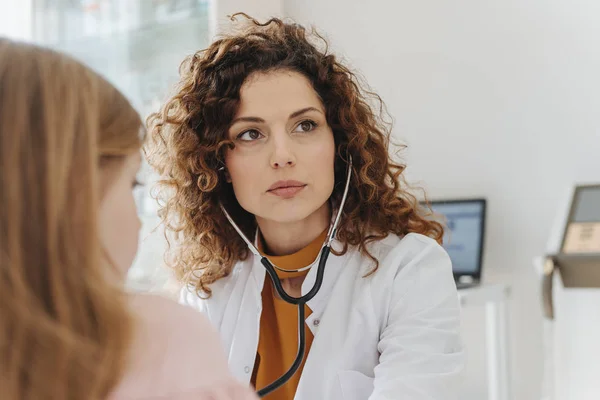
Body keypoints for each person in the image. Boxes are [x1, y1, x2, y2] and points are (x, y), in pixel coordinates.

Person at [146, 14, 464, 400]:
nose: (283, 156)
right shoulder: (209, 292)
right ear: (217, 165)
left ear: (339, 142)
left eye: (305, 126)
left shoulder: (409, 271)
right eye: (250, 134)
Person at [0, 38, 257, 400]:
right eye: (132, 183)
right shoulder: (162, 338)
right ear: (70, 194)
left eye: (305, 126)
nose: (281, 157)